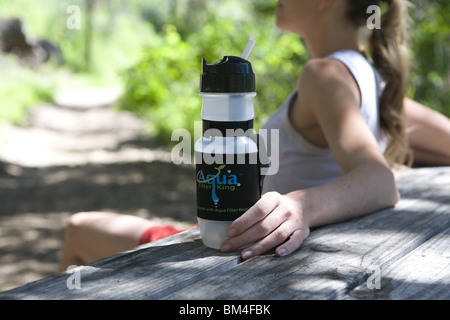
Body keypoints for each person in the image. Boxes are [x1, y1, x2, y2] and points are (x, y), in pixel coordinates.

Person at [58, 0, 450, 271]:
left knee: (78, 227)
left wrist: (300, 207)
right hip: (252, 244)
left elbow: (380, 181)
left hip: (240, 250)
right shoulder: (374, 80)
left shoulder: (325, 75)